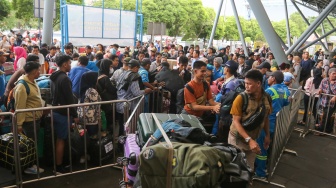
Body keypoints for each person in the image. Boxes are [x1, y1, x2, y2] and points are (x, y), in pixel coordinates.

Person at [228, 69, 272, 173]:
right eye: (245, 83)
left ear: (258, 83)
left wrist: (267, 136)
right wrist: (249, 140)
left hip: (253, 140)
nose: (246, 86)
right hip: (237, 139)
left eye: (249, 84)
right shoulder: (241, 98)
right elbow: (236, 121)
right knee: (235, 170)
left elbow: (265, 118)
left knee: (249, 170)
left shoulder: (267, 98)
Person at [255, 71, 289, 179]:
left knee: (261, 148)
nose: (268, 78)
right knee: (267, 147)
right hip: (277, 123)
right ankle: (265, 167)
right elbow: (287, 103)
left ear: (273, 79)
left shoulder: (270, 90)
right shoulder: (285, 90)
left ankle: (260, 172)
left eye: (269, 77)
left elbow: (259, 105)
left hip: (267, 123)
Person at [50, 54, 79, 174]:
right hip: (63, 113)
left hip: (56, 110)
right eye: (69, 63)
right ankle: (58, 166)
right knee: (61, 140)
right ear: (64, 64)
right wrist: (75, 115)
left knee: (60, 139)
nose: (71, 65)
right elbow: (69, 99)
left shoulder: (53, 76)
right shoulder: (65, 79)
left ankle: (60, 162)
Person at [14, 61, 44, 174]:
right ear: (35, 72)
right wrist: (19, 125)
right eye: (39, 70)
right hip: (28, 121)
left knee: (32, 143)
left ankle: (30, 164)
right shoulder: (22, 86)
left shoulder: (32, 81)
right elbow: (20, 107)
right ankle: (28, 166)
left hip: (35, 119)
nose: (40, 72)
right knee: (29, 144)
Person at [116, 60, 152, 136]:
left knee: (121, 125)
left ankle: (120, 142)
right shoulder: (133, 76)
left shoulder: (122, 73)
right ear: (135, 67)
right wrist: (146, 91)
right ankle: (125, 143)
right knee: (127, 127)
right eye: (138, 68)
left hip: (119, 103)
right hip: (127, 106)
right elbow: (136, 93)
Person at [316, 68, 336, 135]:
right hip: (324, 101)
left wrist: (335, 96)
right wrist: (320, 91)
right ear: (329, 74)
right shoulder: (324, 80)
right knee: (326, 115)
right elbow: (321, 87)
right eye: (333, 74)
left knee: (326, 116)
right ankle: (328, 129)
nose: (335, 75)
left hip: (332, 103)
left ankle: (321, 130)